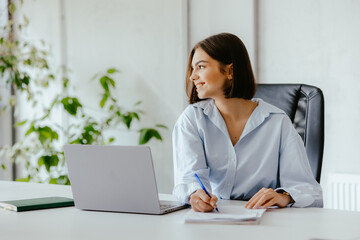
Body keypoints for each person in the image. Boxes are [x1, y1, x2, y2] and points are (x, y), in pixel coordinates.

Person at [172, 33, 323, 212]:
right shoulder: (192, 119)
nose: (192, 76)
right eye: (192, 69)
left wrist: (283, 196)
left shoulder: (277, 122)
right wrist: (196, 194)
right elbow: (188, 179)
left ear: (229, 71)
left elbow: (310, 191)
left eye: (201, 67)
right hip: (211, 219)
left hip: (266, 222)